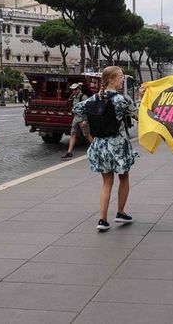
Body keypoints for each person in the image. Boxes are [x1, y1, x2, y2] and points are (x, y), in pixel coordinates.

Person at [72, 66, 138, 232]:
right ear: (111, 80)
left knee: (106, 182)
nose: (123, 79)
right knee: (124, 178)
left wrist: (86, 125)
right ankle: (120, 213)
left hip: (100, 145)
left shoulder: (93, 98)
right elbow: (138, 114)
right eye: (121, 77)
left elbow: (77, 110)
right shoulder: (122, 99)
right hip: (118, 145)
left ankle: (102, 220)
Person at [62, 83, 92, 159]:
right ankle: (69, 152)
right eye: (72, 89)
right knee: (73, 134)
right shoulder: (74, 97)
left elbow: (87, 109)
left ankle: (97, 149)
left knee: (87, 135)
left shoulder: (83, 97)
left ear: (79, 89)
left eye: (75, 89)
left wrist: (85, 120)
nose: (74, 91)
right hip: (76, 119)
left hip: (82, 119)